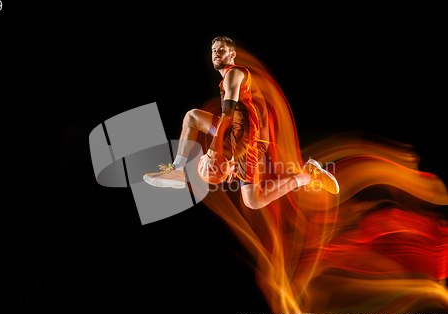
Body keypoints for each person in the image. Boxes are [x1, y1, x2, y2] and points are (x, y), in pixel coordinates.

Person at [143, 36, 339, 210]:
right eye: (213, 51)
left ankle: (308, 175)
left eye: (221, 50)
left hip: (251, 141)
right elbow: (235, 120)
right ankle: (177, 171)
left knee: (253, 202)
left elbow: (227, 115)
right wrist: (231, 157)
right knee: (192, 117)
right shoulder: (227, 79)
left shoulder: (235, 74)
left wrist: (214, 151)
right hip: (238, 135)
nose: (216, 54)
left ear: (232, 54)